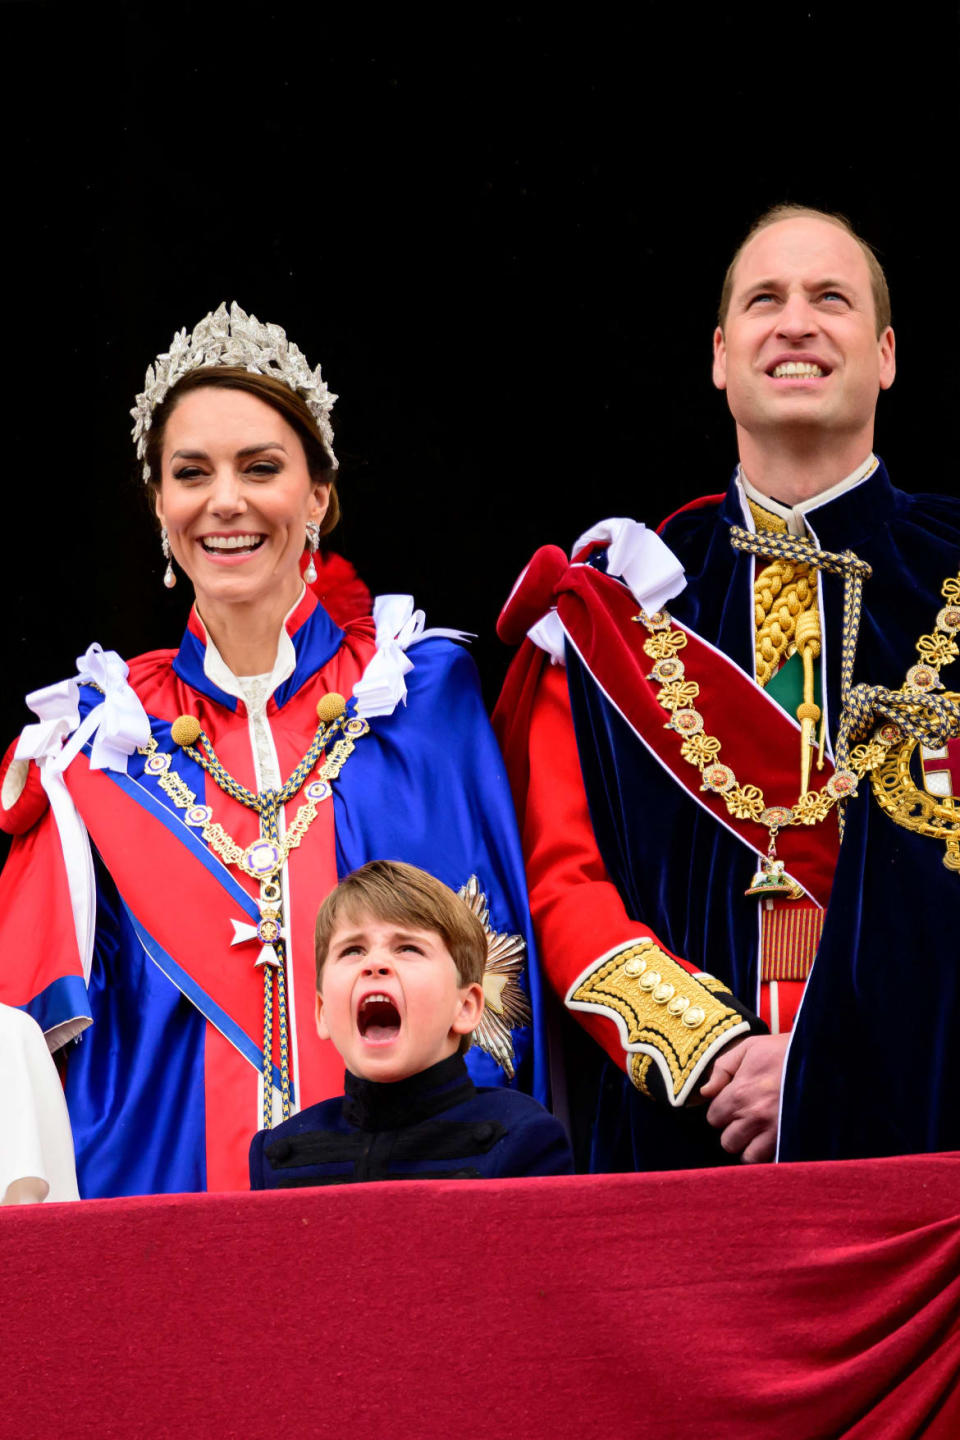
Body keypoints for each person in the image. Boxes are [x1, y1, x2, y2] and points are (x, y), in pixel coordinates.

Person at [0, 303, 545, 1198]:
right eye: (191, 473)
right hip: (163, 1210)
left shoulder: (421, 696)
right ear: (159, 506)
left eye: (261, 468)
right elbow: (24, 1054)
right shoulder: (98, 746)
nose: (226, 501)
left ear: (318, 496)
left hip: (406, 1209)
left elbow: (491, 995)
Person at [495, 205, 960, 1168]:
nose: (796, 322)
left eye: (830, 298)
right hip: (686, 1150)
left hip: (930, 1144)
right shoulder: (615, 610)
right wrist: (717, 1055)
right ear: (719, 354)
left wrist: (835, 1062)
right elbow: (560, 885)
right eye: (765, 300)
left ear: (884, 354)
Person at [249, 861, 573, 1187]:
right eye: (352, 950)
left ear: (465, 1007)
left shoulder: (520, 1136)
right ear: (322, 1013)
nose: (374, 963)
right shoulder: (278, 1155)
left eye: (408, 948)